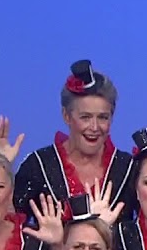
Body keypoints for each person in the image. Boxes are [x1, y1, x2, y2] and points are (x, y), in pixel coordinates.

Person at [14, 60, 135, 218]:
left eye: (103, 117)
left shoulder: (128, 168)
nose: (94, 127)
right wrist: (0, 164)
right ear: (66, 116)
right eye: (85, 117)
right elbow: (8, 222)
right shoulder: (37, 166)